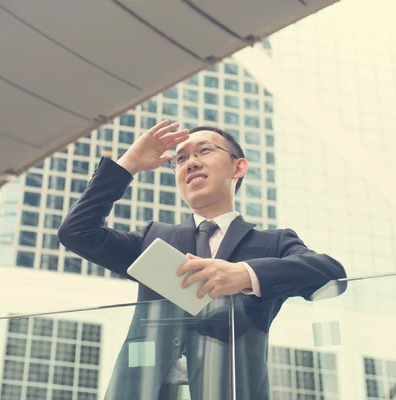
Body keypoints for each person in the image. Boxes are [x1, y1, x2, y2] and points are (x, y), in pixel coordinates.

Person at [58, 120, 347, 400]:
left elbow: (332, 274)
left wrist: (245, 274)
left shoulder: (272, 243)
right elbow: (77, 232)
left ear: (238, 166)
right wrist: (128, 164)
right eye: (181, 158)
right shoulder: (153, 238)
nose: (191, 162)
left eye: (204, 151)